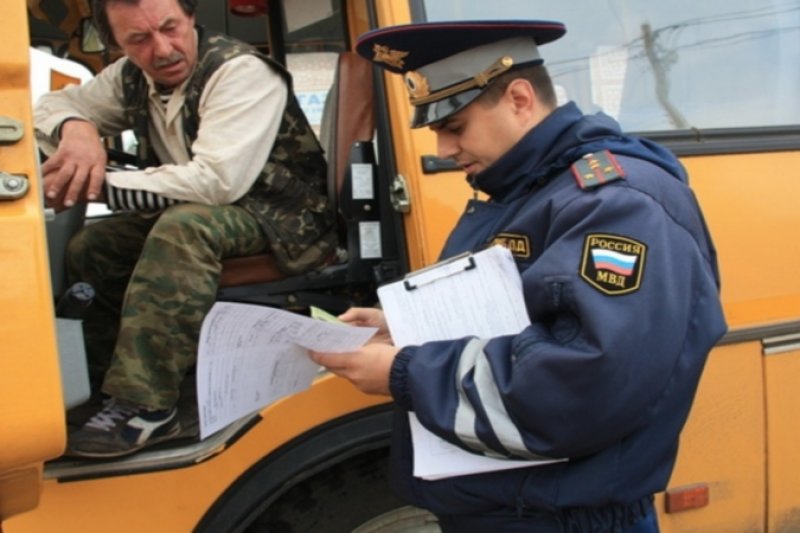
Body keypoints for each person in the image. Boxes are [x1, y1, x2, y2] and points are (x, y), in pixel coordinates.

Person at [309, 20, 727, 532]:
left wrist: (404, 371)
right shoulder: (530, 191)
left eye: (454, 126)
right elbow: (510, 318)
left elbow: (583, 386)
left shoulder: (616, 204)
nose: (443, 148)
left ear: (520, 99)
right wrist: (402, 329)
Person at [35, 0, 337, 458]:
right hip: (209, 209)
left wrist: (97, 184)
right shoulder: (130, 77)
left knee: (184, 228)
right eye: (139, 39)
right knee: (95, 244)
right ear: (117, 45)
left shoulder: (241, 72)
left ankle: (149, 404)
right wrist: (78, 131)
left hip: (286, 219)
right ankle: (101, 391)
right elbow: (50, 106)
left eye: (170, 27)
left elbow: (216, 182)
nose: (162, 49)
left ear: (191, 18)